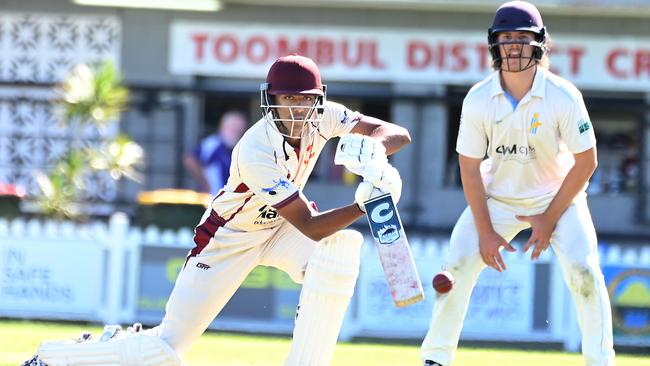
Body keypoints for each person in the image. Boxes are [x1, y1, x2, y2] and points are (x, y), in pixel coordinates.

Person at [155, 54, 409, 365]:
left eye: (306, 99)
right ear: (270, 99)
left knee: (333, 258)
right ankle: (89, 354)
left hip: (280, 226)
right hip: (231, 235)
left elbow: (397, 133)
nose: (298, 108)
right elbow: (310, 224)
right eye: (288, 98)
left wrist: (374, 152)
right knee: (166, 348)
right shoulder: (255, 149)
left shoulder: (325, 116)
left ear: (319, 99)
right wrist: (363, 205)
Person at [420, 2, 615, 366]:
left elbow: (587, 162)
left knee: (584, 271)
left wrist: (548, 218)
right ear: (494, 45)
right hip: (498, 201)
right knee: (456, 269)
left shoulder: (563, 95)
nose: (513, 45)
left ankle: (601, 361)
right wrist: (485, 231)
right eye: (505, 38)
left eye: (522, 38)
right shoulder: (478, 98)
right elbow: (469, 166)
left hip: (559, 199)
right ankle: (435, 359)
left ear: (540, 44)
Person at [183, 111, 247, 195]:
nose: (236, 132)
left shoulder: (242, 148)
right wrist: (204, 182)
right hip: (213, 197)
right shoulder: (213, 144)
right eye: (233, 129)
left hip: (232, 199)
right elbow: (189, 159)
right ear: (222, 127)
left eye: (239, 130)